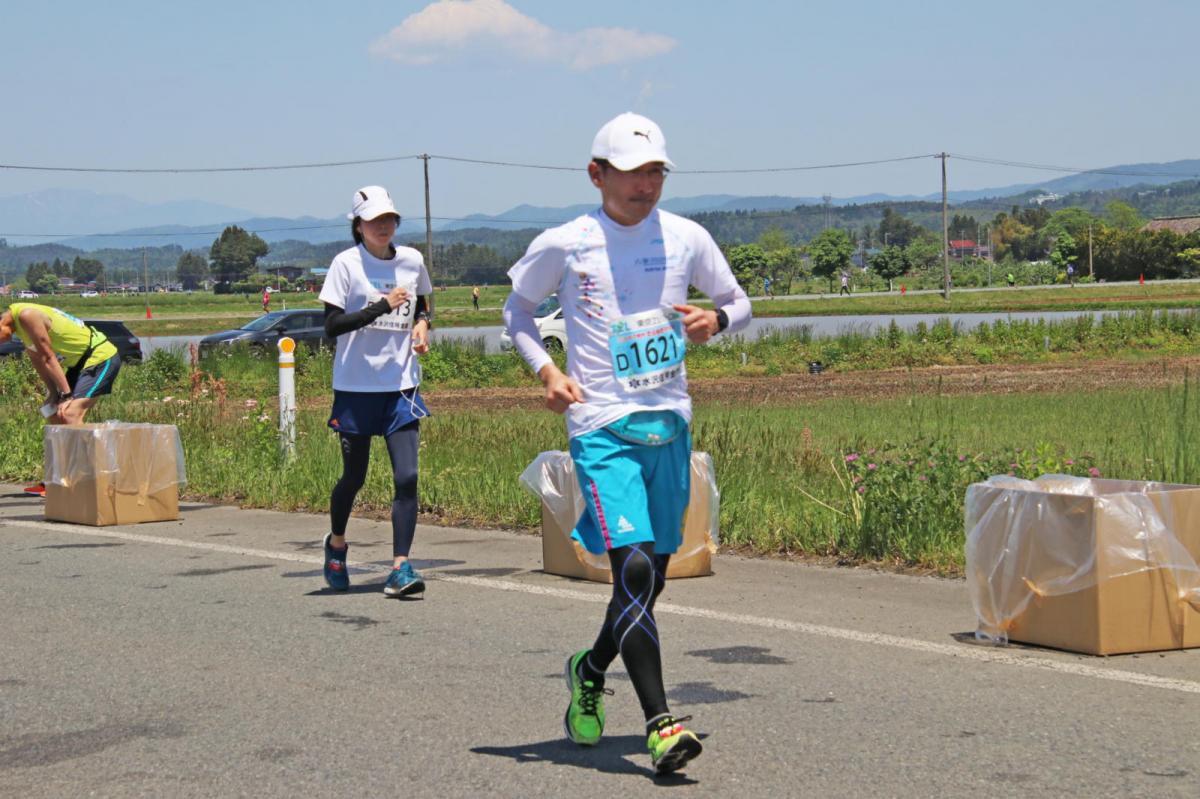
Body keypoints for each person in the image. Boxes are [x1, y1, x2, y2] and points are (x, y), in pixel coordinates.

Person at [503, 112, 750, 775]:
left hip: (668, 421)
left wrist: (717, 318)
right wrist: (548, 370)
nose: (646, 186)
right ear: (597, 174)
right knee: (634, 569)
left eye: (656, 173)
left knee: (651, 578)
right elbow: (516, 312)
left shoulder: (687, 237)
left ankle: (589, 667)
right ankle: (661, 725)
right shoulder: (567, 242)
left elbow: (738, 299)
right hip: (601, 424)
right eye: (634, 173)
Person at [318, 185, 433, 599]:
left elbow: (423, 303)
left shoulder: (412, 261)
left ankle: (400, 567)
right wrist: (381, 307)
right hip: (355, 387)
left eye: (390, 219)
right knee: (355, 477)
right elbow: (331, 326)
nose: (384, 226)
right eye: (374, 220)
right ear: (359, 225)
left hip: (400, 385)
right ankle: (336, 545)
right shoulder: (346, 265)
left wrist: (422, 326)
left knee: (408, 476)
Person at [0, 303, 122, 497]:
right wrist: (53, 393)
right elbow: (38, 360)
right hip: (78, 363)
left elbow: (49, 356)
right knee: (54, 414)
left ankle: (85, 480)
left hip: (100, 356)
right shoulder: (20, 327)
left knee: (71, 413)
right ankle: (55, 480)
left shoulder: (27, 315)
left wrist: (66, 395)